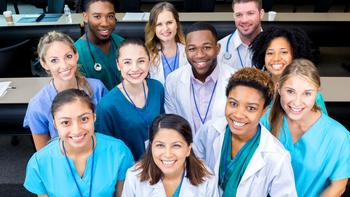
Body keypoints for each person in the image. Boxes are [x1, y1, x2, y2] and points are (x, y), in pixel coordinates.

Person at [194, 68, 297, 196]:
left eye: (251, 108)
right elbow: (194, 173)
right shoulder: (209, 131)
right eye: (233, 103)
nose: (238, 114)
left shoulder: (277, 157)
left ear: (264, 111)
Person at [260, 59, 349, 197]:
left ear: (317, 93)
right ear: (279, 87)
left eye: (307, 93)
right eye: (290, 91)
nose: (297, 102)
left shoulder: (339, 137)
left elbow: (337, 187)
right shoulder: (264, 120)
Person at [24, 89, 134, 196]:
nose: (77, 130)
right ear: (55, 125)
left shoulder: (119, 152)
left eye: (84, 119)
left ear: (94, 117)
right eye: (66, 122)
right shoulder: (39, 163)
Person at [23, 31, 108, 151]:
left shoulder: (97, 88)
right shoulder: (37, 105)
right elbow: (43, 153)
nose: (64, 65)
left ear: (76, 55)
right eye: (54, 60)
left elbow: (110, 130)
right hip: (64, 162)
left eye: (68, 56)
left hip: (100, 153)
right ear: (44, 63)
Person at [95, 39, 164, 161]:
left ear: (149, 62)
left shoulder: (157, 88)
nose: (135, 68)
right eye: (127, 62)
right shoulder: (106, 106)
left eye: (141, 61)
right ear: (118, 64)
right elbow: (106, 152)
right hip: (130, 172)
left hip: (160, 163)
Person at [122, 114, 219, 197]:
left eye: (176, 146)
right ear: (151, 147)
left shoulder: (207, 179)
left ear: (188, 149)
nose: (168, 154)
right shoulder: (134, 177)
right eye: (160, 145)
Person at [165, 22, 236, 134]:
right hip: (188, 149)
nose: (200, 55)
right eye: (192, 49)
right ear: (186, 51)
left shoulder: (235, 79)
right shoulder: (173, 80)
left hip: (223, 148)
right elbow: (173, 123)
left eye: (207, 47)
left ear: (218, 48)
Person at [250, 26, 328, 114]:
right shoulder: (256, 89)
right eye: (270, 53)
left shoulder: (310, 92)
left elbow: (322, 126)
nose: (276, 58)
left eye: (284, 52)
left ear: (294, 55)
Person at [75, 0, 124, 90]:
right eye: (97, 16)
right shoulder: (76, 54)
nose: (105, 23)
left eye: (110, 16)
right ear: (85, 17)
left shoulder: (121, 43)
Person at [145, 2, 187, 85]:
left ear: (177, 24)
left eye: (169, 22)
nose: (165, 28)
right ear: (153, 28)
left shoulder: (187, 52)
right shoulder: (147, 55)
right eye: (159, 24)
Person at [217, 0, 264, 69]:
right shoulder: (219, 50)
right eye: (239, 15)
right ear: (234, 16)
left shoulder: (276, 46)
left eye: (250, 13)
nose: (244, 20)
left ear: (261, 14)